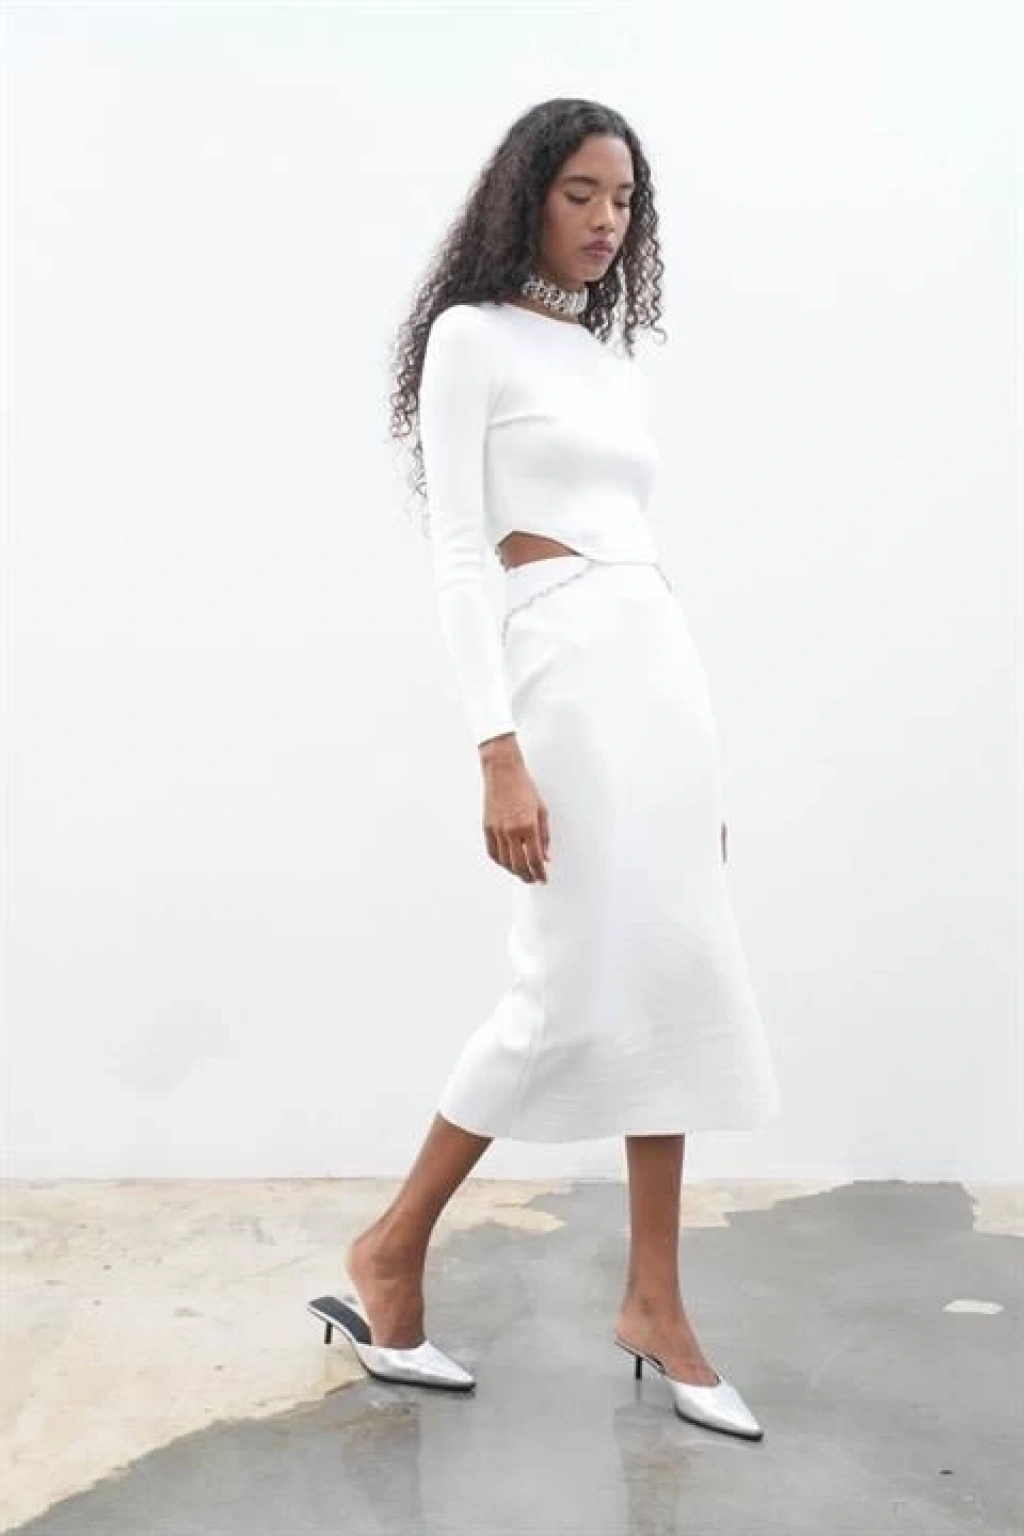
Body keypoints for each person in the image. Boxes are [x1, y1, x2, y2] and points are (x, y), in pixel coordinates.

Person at [307, 97, 781, 1441]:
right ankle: (392, 1248)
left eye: (623, 200)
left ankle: (655, 1302)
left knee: (675, 970)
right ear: (527, 195)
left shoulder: (606, 357)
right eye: (581, 193)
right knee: (562, 987)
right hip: (557, 667)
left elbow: (635, 539)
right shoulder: (471, 338)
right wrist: (496, 747)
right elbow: (462, 554)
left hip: (657, 669)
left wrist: (694, 777)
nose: (606, 220)